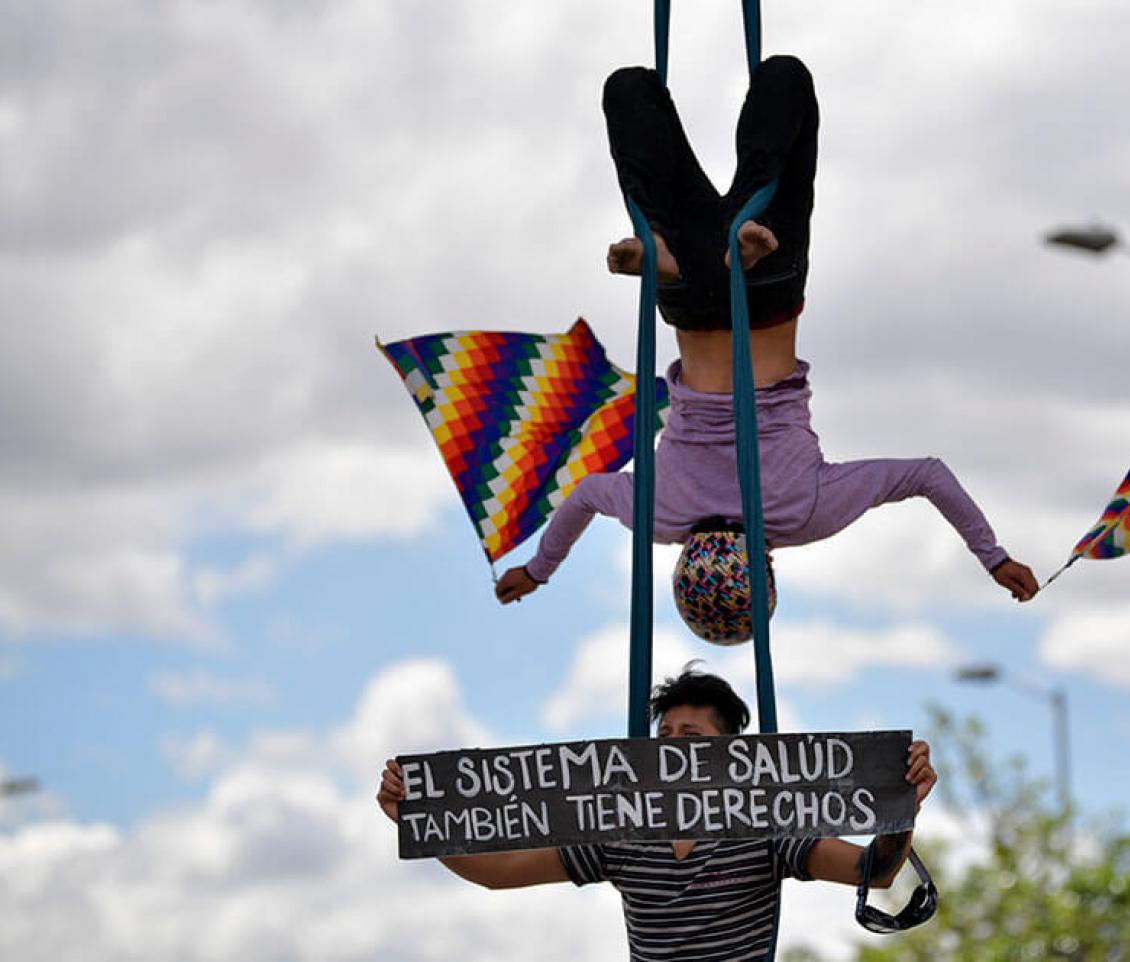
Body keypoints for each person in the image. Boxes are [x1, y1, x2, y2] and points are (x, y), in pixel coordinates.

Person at [494, 56, 1040, 612]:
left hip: (768, 294)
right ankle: (667, 250)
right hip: (688, 298)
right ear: (685, 563)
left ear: (768, 568)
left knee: (787, 81)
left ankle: (747, 238)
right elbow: (585, 495)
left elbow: (927, 476)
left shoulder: (805, 515)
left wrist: (994, 557)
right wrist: (538, 570)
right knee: (628, 89)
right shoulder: (658, 517)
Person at [377, 666, 939, 962]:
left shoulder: (766, 825)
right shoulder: (623, 830)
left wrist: (899, 807)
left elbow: (876, 870)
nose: (671, 746)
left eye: (689, 736)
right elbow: (500, 872)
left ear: (728, 753)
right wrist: (419, 820)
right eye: (663, 734)